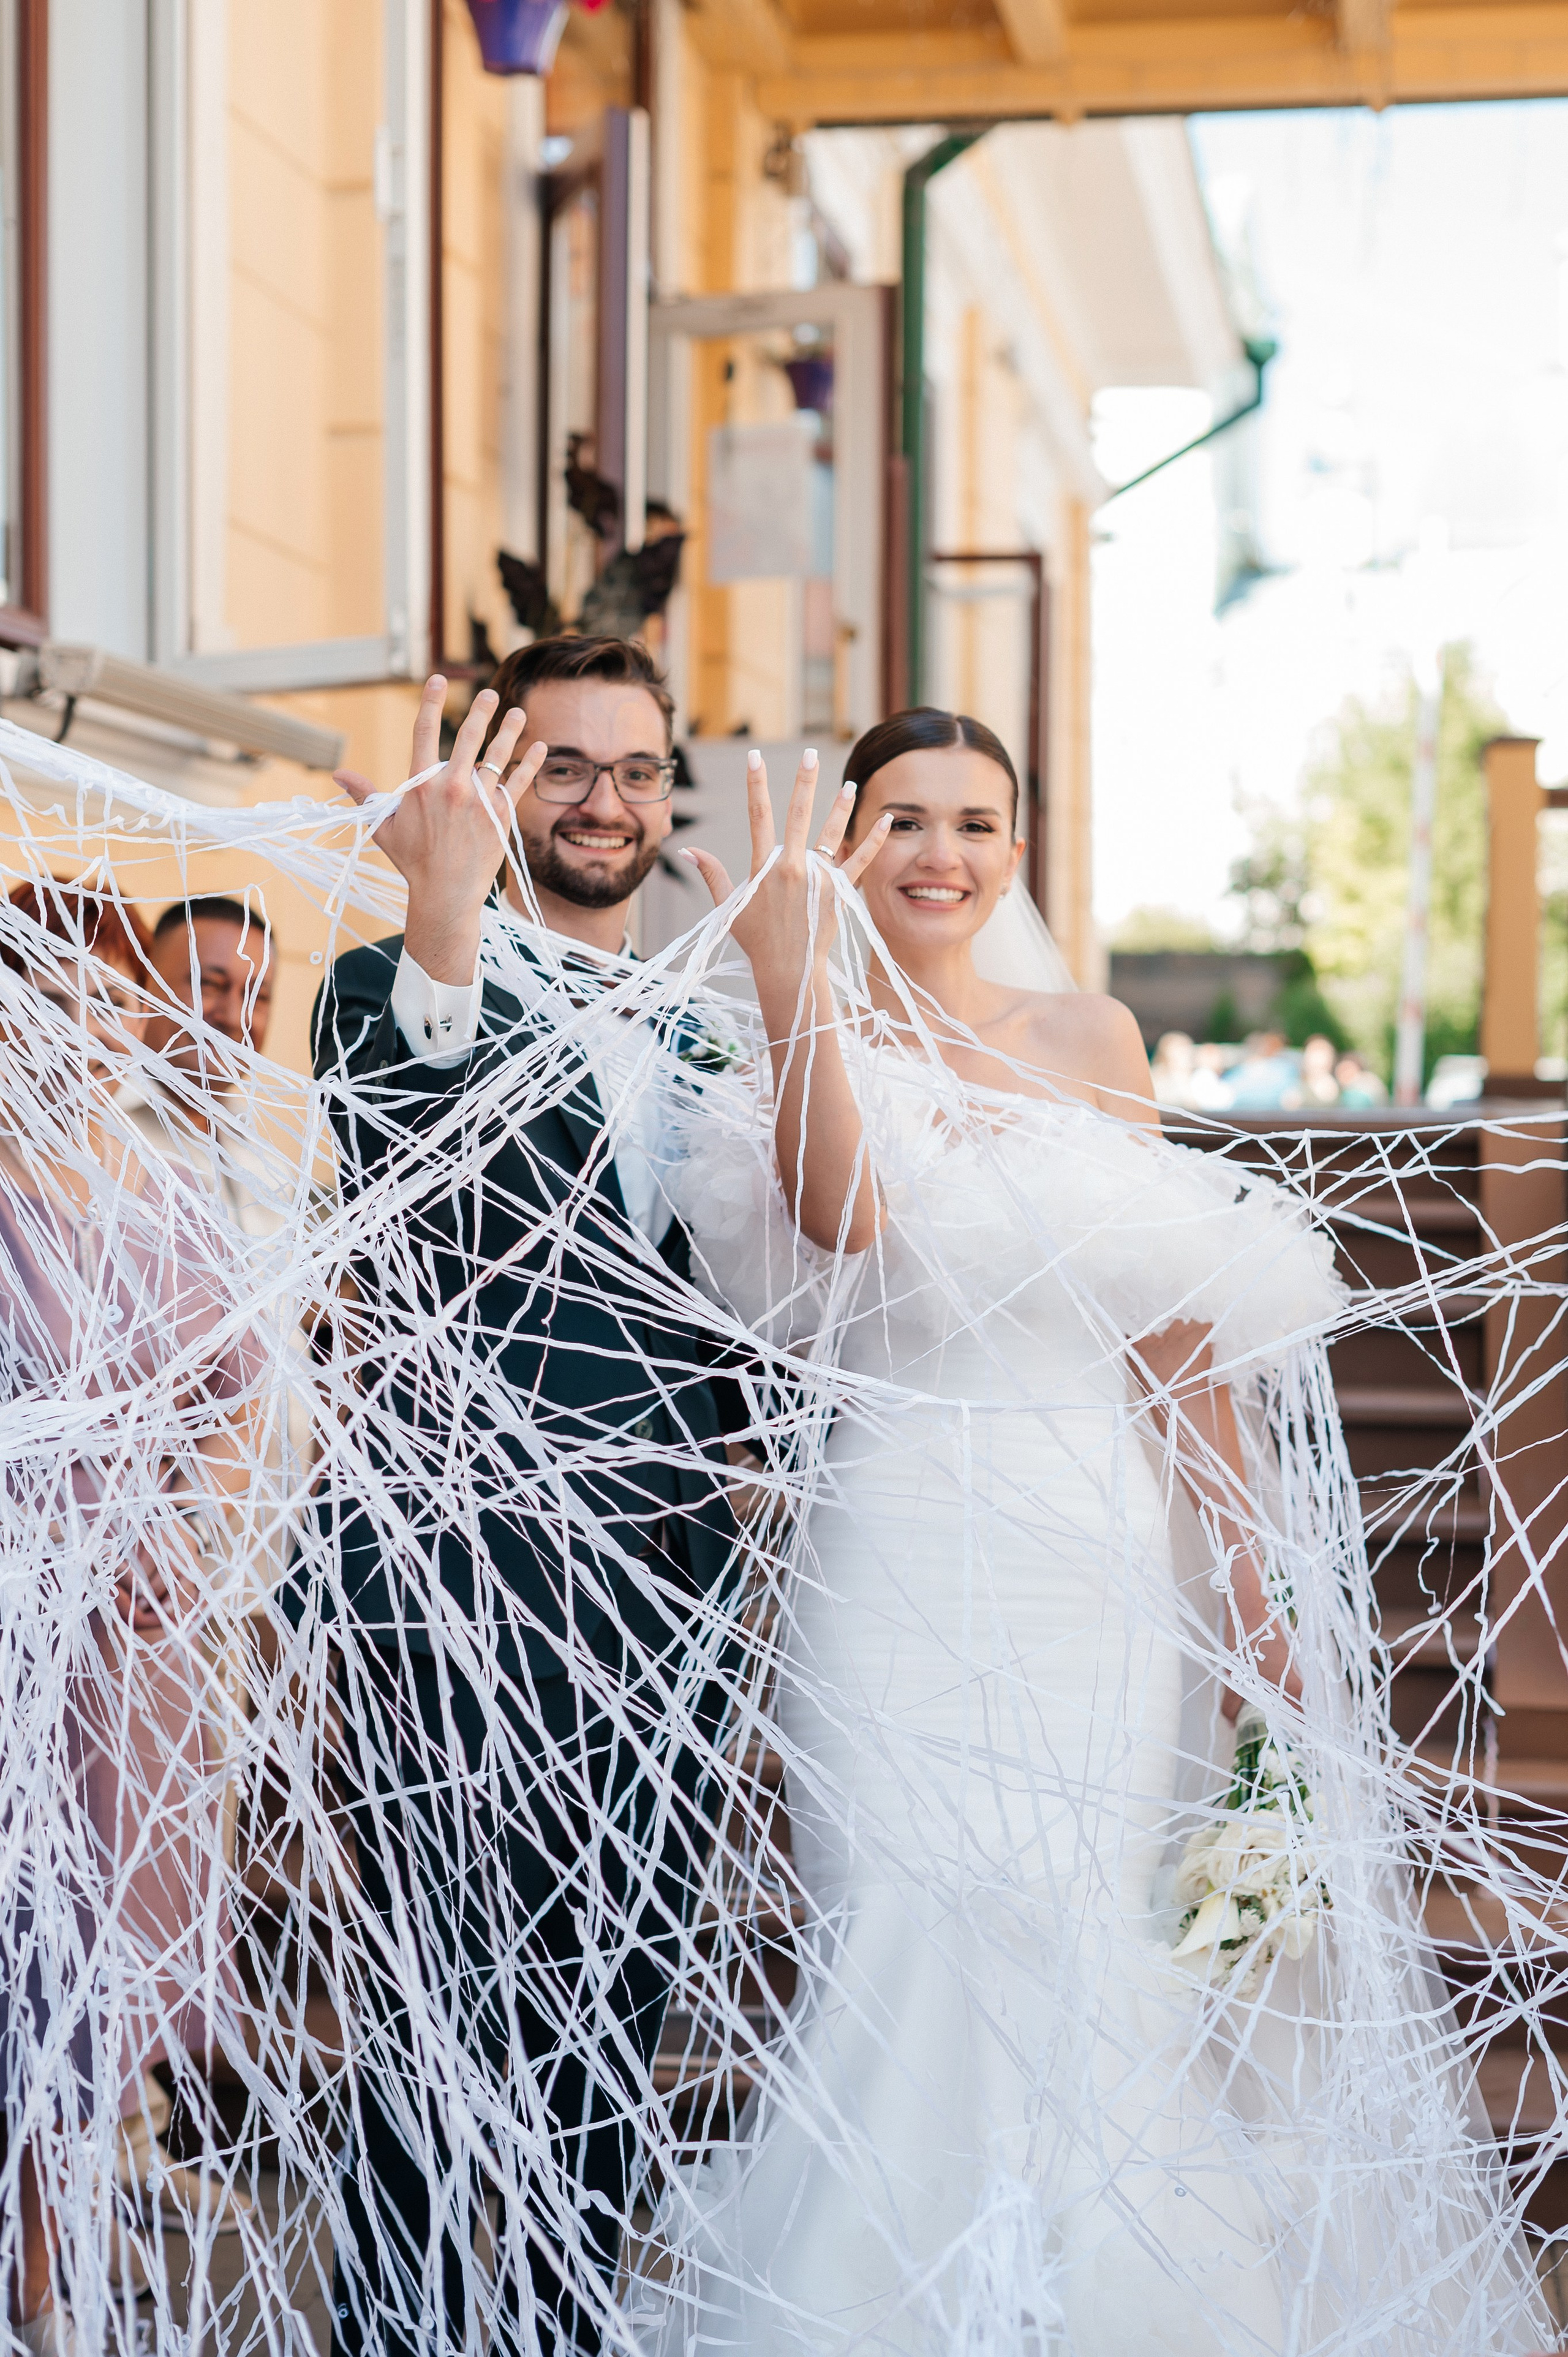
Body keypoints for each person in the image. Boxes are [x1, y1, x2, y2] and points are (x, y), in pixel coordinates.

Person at [642, 707, 1550, 2352]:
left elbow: (1172, 1338)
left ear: (1017, 848)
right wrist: (798, 992)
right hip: (897, 1541)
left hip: (1094, 1558)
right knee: (902, 1931)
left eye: (976, 822)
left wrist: (1248, 1580)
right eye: (902, 820)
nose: (939, 855)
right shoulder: (791, 1028)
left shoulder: (1096, 1038)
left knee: (1087, 1935)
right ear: (846, 840)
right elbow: (844, 1224)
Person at [306, 637, 747, 2357]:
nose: (605, 804)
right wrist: (444, 908)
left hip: (667, 1583)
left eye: (636, 771)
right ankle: (399, 2332)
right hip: (449, 1583)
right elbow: (438, 1185)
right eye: (563, 766)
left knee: (617, 2005)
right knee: (430, 2001)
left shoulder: (716, 1026)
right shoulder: (371, 985)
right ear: (498, 786)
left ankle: (569, 2324)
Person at [0, 881, 258, 2350]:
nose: (90, 1034)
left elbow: (238, 1386)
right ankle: (42, 2273)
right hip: (17, 1628)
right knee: (19, 1947)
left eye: (107, 1006)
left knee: (95, 1957)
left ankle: (69, 2249)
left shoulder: (157, 1189)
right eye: (55, 1002)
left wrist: (176, 1515)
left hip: (140, 1642)